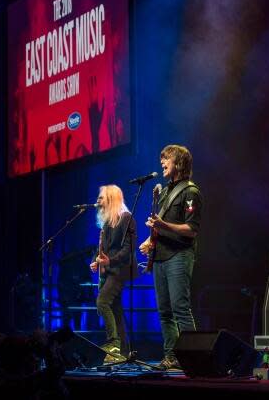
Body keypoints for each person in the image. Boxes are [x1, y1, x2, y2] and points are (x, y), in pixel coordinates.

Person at [139, 144, 203, 370]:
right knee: (164, 312)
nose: (162, 163)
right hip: (160, 257)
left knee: (180, 309)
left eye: (166, 159)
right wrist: (150, 241)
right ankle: (172, 357)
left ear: (179, 163)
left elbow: (192, 229)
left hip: (179, 255)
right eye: (162, 159)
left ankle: (194, 359)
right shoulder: (165, 191)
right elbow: (161, 227)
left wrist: (162, 224)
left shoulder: (190, 191)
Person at [89, 185, 137, 361]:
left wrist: (110, 260)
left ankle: (113, 343)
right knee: (115, 309)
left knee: (102, 302)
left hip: (120, 270)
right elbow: (101, 247)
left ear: (111, 199)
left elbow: (128, 249)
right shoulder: (107, 222)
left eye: (101, 198)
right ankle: (123, 352)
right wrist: (96, 260)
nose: (98, 201)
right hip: (109, 270)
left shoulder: (126, 218)